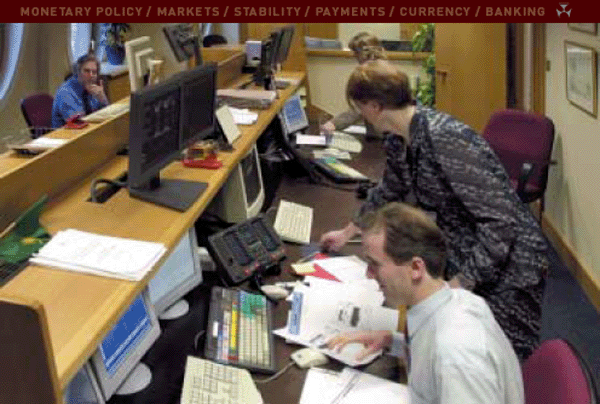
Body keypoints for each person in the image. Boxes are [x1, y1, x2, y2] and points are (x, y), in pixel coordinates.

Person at [320, 60, 548, 361]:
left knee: (493, 356)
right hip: (467, 248)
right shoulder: (397, 137)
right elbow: (390, 189)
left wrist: (457, 287)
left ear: (373, 105)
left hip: (511, 262)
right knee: (455, 343)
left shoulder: (444, 137)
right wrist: (348, 231)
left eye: (360, 107)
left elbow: (500, 222)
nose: (360, 114)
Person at [327, 202, 524, 404]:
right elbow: (432, 357)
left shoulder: (456, 356)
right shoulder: (454, 301)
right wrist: (390, 340)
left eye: (374, 265)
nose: (368, 274)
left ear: (415, 268)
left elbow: (446, 360)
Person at [320, 32, 386, 140]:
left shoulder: (371, 76)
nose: (354, 57)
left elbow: (357, 111)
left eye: (355, 53)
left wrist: (332, 124)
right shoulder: (386, 70)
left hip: (382, 139)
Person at [52, 53, 108, 128]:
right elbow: (78, 123)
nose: (91, 75)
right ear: (78, 72)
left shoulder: (93, 89)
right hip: (68, 136)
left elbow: (107, 115)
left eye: (94, 72)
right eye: (87, 71)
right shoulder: (65, 92)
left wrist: (102, 99)